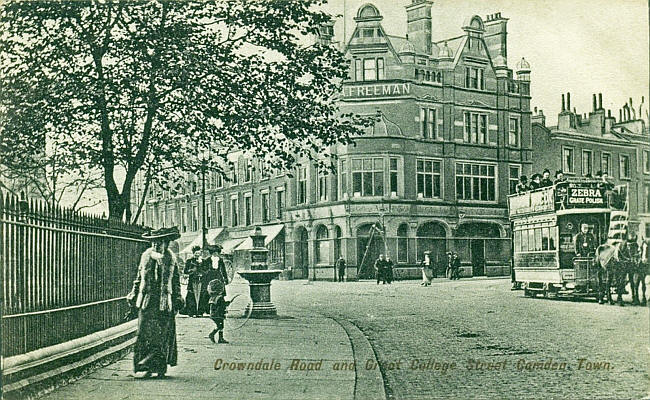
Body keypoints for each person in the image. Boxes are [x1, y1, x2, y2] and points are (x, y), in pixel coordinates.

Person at [126, 227, 184, 379]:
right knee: (144, 333)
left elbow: (176, 281)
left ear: (166, 243)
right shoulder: (146, 257)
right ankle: (145, 366)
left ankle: (159, 368)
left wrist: (178, 297)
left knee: (162, 335)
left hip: (164, 303)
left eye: (159, 243)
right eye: (153, 243)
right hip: (148, 301)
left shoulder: (170, 259)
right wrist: (134, 293)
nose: (156, 246)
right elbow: (139, 277)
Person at [200, 244, 230, 314]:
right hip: (209, 276)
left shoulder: (220, 260)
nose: (216, 254)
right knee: (208, 292)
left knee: (219, 292)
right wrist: (205, 274)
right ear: (212, 253)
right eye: (214, 252)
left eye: (217, 252)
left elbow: (223, 270)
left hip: (218, 275)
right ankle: (208, 309)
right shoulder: (207, 260)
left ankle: (220, 308)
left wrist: (225, 279)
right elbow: (203, 269)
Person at [182, 245, 207, 317]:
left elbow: (206, 271)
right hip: (192, 280)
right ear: (193, 253)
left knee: (201, 295)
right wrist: (192, 270)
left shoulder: (203, 261)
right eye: (196, 253)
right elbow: (185, 271)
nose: (197, 255)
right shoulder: (189, 261)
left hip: (201, 281)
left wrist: (201, 267)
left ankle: (200, 312)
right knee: (191, 295)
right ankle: (192, 312)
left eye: (199, 254)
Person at [206, 276, 231, 344]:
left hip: (213, 315)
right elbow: (222, 306)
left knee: (219, 326)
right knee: (220, 326)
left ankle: (219, 337)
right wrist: (227, 304)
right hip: (219, 315)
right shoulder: (220, 298)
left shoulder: (212, 297)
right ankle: (216, 336)